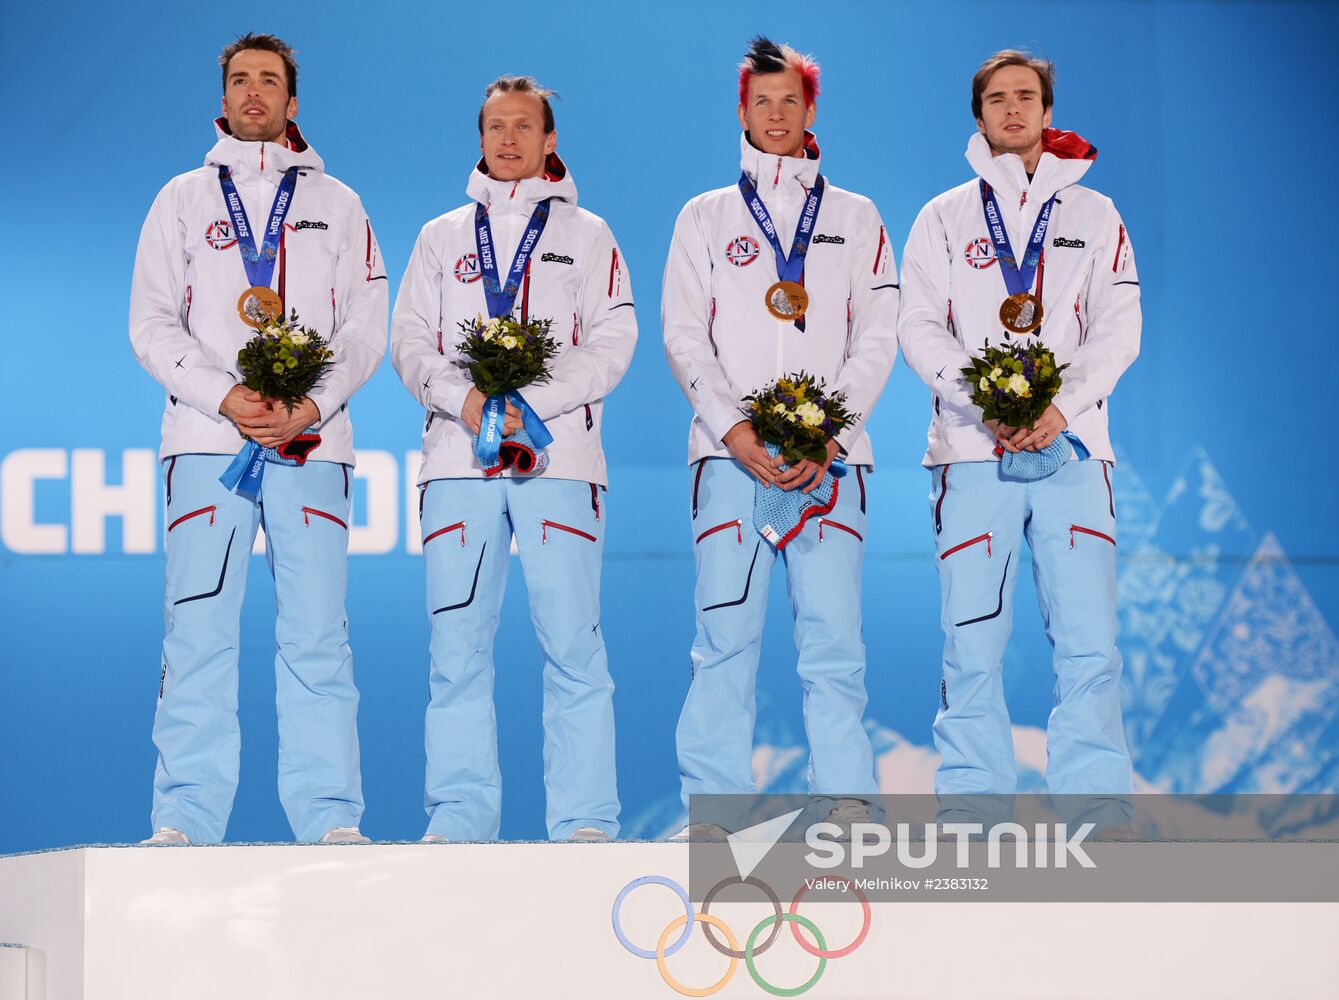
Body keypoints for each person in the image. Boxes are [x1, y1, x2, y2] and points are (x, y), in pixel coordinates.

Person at [129, 33, 387, 845]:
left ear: (292, 101)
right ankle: (185, 818)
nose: (252, 93)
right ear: (223, 95)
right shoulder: (180, 198)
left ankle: (330, 819)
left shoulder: (340, 203)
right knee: (197, 631)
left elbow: (365, 328)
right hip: (208, 442)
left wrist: (309, 405)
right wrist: (226, 395)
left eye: (268, 81)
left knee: (316, 632)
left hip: (312, 444)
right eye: (239, 79)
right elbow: (150, 323)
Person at [662, 37, 898, 837]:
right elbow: (683, 334)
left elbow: (879, 335)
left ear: (810, 112)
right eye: (760, 102)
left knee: (832, 638)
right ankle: (714, 812)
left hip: (829, 462)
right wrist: (731, 428)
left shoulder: (857, 218)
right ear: (740, 111)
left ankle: (846, 801)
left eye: (788, 102)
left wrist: (829, 431)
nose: (774, 116)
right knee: (722, 636)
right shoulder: (704, 217)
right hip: (730, 459)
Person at [897, 50, 1141, 824]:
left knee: (1089, 643)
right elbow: (917, 328)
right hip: (972, 453)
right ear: (978, 118)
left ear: (1046, 112)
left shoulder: (1096, 216)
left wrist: (1059, 409)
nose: (1010, 109)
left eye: (1024, 97)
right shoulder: (942, 217)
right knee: (970, 642)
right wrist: (984, 402)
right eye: (996, 98)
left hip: (1071, 450)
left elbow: (1117, 329)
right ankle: (972, 808)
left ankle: (1095, 810)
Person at [391, 76, 635, 843]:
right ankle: (459, 819)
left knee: (573, 644)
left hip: (559, 463)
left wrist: (539, 404)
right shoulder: (439, 237)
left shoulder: (589, 235)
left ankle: (585, 820)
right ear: (480, 138)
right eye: (494, 126)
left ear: (549, 139)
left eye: (523, 125)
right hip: (458, 465)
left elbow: (613, 340)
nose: (507, 139)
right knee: (456, 648)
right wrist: (465, 402)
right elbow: (408, 342)